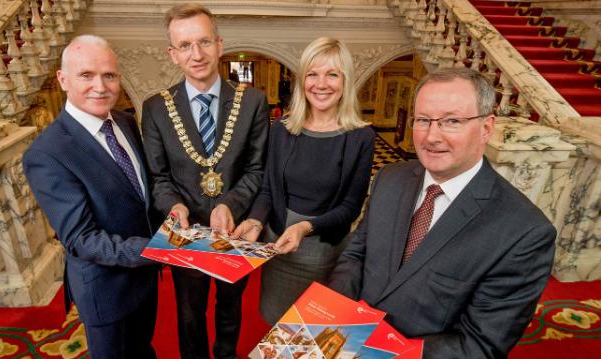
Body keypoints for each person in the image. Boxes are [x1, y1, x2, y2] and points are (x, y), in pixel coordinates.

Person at [328, 67, 556, 358]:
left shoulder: (524, 232)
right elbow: (355, 256)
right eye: (423, 120)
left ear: (487, 127)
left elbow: (480, 344)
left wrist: (384, 351)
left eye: (452, 121)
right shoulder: (389, 178)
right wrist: (333, 317)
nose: (431, 136)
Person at [141, 3, 269, 358]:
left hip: (236, 232)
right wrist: (175, 206)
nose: (196, 54)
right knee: (189, 315)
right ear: (173, 54)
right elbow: (159, 176)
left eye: (204, 42)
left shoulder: (253, 101)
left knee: (231, 311)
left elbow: (257, 169)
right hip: (187, 236)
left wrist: (230, 204)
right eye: (185, 46)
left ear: (219, 44)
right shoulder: (155, 108)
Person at [22, 35, 160, 358]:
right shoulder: (47, 153)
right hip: (106, 289)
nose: (101, 86)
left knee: (143, 350)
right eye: (87, 75)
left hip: (144, 279)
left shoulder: (125, 122)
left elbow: (139, 196)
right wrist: (157, 250)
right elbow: (82, 239)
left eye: (109, 75)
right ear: (63, 79)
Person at [232, 37, 374, 325]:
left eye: (332, 74)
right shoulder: (282, 130)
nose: (321, 84)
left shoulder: (361, 137)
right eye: (312, 74)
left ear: (345, 81)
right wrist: (256, 221)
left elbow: (350, 207)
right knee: (275, 323)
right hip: (278, 246)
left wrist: (305, 227)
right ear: (302, 80)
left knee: (312, 331)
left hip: (324, 251)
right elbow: (268, 191)